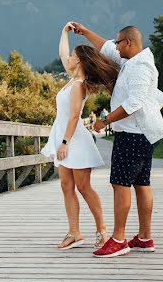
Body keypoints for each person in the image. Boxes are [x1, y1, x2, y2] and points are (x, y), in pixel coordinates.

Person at [70, 22, 163, 257]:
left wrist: (105, 120)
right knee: (141, 183)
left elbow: (134, 103)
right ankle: (144, 238)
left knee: (121, 183)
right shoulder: (130, 60)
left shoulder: (141, 67)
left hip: (135, 133)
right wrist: (84, 32)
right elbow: (105, 47)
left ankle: (118, 239)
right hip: (139, 133)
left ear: (129, 43)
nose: (115, 46)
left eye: (118, 42)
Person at [41, 22, 119, 250]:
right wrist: (64, 31)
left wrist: (64, 143)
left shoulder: (78, 85)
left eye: (73, 55)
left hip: (73, 140)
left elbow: (74, 117)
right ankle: (74, 233)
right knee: (66, 186)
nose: (69, 58)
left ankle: (102, 231)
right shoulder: (71, 79)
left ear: (80, 60)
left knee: (84, 187)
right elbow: (62, 52)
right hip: (63, 137)